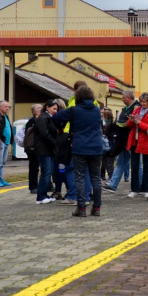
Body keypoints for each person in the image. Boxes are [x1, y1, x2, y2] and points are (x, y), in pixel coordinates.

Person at [53, 86, 103, 217]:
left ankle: (81, 209)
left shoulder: (74, 110)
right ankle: (96, 208)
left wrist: (60, 128)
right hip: (96, 147)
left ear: (78, 97)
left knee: (79, 177)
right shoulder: (97, 110)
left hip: (79, 147)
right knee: (96, 178)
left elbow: (55, 118)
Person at [103, 90, 139, 194]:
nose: (122, 99)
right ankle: (113, 185)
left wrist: (118, 123)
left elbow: (130, 123)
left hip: (132, 140)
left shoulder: (136, 107)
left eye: (123, 97)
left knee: (136, 164)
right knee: (121, 163)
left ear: (128, 97)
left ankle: (140, 185)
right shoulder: (125, 109)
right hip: (123, 140)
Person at [126, 92, 148, 198]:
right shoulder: (137, 109)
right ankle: (134, 189)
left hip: (147, 140)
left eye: (145, 102)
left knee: (147, 166)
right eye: (141, 102)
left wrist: (139, 123)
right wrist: (131, 121)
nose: (143, 104)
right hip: (135, 140)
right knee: (134, 165)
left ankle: (145, 189)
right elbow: (128, 125)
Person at [34, 100, 59, 204]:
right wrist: (55, 143)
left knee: (47, 172)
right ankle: (41, 196)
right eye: (54, 109)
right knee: (46, 173)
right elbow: (45, 134)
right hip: (44, 150)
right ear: (47, 107)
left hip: (49, 149)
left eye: (56, 109)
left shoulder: (48, 118)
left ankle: (43, 194)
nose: (55, 111)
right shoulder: (43, 118)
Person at [22, 104, 42, 194]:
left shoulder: (40, 120)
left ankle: (44, 185)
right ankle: (33, 186)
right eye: (41, 109)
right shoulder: (32, 121)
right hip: (32, 148)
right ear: (36, 111)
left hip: (38, 147)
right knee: (34, 167)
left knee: (42, 167)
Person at [101, 108, 115, 181]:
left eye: (104, 115)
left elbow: (110, 134)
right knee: (105, 162)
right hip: (105, 145)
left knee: (109, 163)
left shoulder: (111, 124)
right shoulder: (105, 124)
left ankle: (111, 177)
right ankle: (110, 177)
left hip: (109, 145)